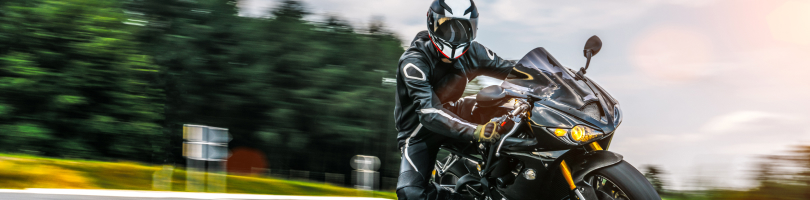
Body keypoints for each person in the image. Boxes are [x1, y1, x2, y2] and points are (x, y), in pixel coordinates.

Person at [394, 0, 520, 199]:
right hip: (419, 132)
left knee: (510, 113)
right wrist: (477, 131)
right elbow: (428, 113)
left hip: (456, 112)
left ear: (474, 28)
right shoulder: (414, 61)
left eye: (464, 27)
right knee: (411, 194)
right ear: (432, 23)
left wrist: (558, 76)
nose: (456, 35)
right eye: (447, 26)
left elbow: (515, 71)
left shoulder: (474, 52)